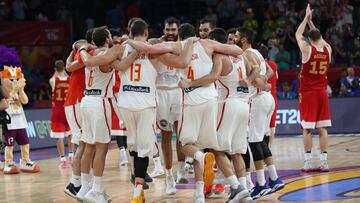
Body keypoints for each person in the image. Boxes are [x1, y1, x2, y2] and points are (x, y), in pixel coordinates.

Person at [176, 23, 245, 202]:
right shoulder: (227, 54)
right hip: (225, 101)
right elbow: (238, 50)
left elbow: (213, 76)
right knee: (222, 149)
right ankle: (236, 186)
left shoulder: (214, 55)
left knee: (191, 146)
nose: (203, 36)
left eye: (206, 33)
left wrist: (189, 83)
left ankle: (222, 184)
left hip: (216, 102)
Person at [235, 27, 284, 199]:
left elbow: (256, 72)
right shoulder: (257, 52)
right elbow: (269, 71)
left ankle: (262, 184)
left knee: (255, 142)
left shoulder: (247, 54)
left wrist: (251, 82)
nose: (234, 38)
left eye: (236, 36)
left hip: (258, 99)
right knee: (261, 141)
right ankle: (275, 178)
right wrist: (264, 83)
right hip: (267, 98)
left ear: (243, 39)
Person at [295, 4, 332, 172]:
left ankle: (309, 161)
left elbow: (297, 34)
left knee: (307, 129)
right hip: (322, 92)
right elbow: (319, 37)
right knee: (322, 129)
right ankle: (324, 162)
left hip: (308, 93)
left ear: (309, 40)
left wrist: (305, 19)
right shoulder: (328, 49)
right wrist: (311, 24)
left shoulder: (306, 49)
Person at [63, 28, 94, 198]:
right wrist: (76, 48)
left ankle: (79, 182)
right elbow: (69, 66)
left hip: (80, 101)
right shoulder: (85, 52)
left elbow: (68, 66)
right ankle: (75, 183)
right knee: (83, 143)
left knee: (86, 144)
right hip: (75, 101)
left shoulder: (87, 52)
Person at [49, 60, 74, 168]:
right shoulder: (70, 79)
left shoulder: (53, 80)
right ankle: (71, 155)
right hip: (68, 110)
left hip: (58, 111)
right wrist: (64, 71)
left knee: (59, 137)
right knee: (70, 134)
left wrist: (57, 71)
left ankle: (63, 160)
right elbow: (66, 75)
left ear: (55, 69)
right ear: (64, 68)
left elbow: (54, 77)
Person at [259, 45, 278, 147]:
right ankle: (269, 150)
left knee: (261, 125)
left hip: (262, 96)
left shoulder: (259, 64)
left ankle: (264, 151)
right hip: (273, 98)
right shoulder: (274, 65)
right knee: (271, 125)